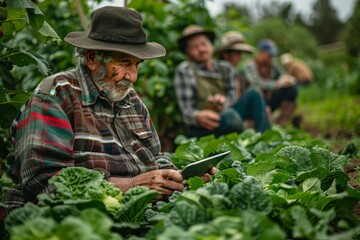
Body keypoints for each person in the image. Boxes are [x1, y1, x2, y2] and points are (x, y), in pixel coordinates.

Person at [4, 6, 215, 214]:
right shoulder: (55, 96)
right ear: (92, 58)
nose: (132, 76)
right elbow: (42, 182)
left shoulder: (131, 99)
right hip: (69, 222)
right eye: (124, 63)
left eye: (137, 65)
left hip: (132, 213)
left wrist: (179, 177)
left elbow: (154, 157)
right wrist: (131, 186)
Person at [173, 25, 270, 139]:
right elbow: (186, 110)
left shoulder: (226, 68)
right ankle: (245, 141)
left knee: (254, 93)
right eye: (194, 47)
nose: (201, 49)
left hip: (226, 114)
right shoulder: (185, 71)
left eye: (203, 44)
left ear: (211, 45)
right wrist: (198, 116)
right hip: (203, 127)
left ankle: (265, 140)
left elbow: (233, 97)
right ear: (187, 53)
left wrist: (224, 102)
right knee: (230, 116)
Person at [242, 39, 298, 126]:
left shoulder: (272, 65)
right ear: (261, 52)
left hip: (269, 98)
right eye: (269, 55)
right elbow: (255, 83)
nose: (271, 58)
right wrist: (276, 84)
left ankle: (280, 121)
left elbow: (283, 75)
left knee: (292, 89)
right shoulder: (250, 65)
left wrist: (288, 80)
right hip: (255, 100)